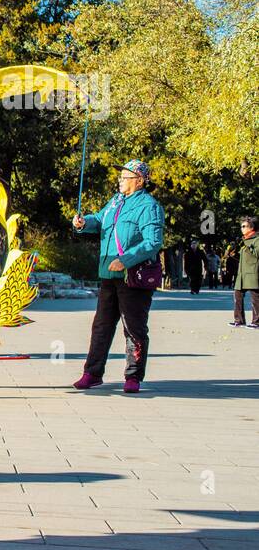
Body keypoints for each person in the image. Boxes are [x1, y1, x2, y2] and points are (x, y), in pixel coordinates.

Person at [71, 160, 164, 393]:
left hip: (132, 276)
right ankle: (92, 373)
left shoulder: (148, 206)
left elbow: (153, 242)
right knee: (101, 326)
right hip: (108, 274)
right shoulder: (115, 202)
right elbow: (100, 220)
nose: (120, 180)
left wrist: (126, 259)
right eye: (121, 176)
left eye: (125, 176)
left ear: (139, 180)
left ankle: (133, 376)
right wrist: (83, 223)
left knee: (133, 328)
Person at [230, 216, 259, 329]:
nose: (241, 228)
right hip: (242, 274)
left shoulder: (256, 239)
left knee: (255, 298)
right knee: (237, 294)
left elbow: (256, 253)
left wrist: (246, 245)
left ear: (251, 227)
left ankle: (256, 322)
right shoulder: (244, 240)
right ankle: (239, 320)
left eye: (244, 226)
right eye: (241, 226)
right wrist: (234, 255)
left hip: (253, 272)